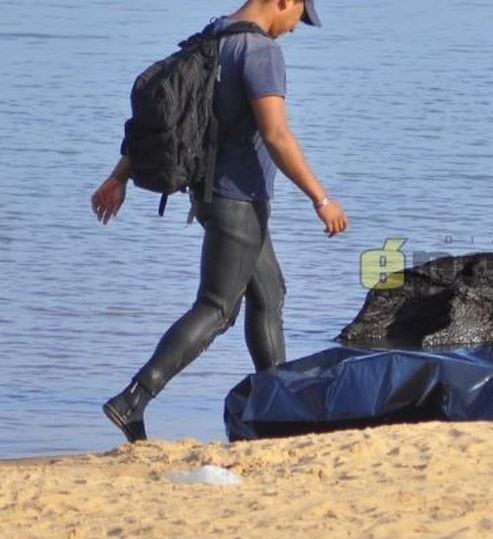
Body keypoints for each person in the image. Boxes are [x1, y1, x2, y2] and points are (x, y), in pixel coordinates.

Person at [91, 0, 349, 442]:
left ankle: (276, 400)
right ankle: (132, 399)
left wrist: (119, 176)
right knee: (216, 308)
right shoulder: (260, 51)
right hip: (237, 201)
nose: (293, 29)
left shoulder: (212, 36)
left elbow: (174, 116)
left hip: (211, 196)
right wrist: (320, 198)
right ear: (283, 1)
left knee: (270, 292)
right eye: (298, 18)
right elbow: (276, 134)